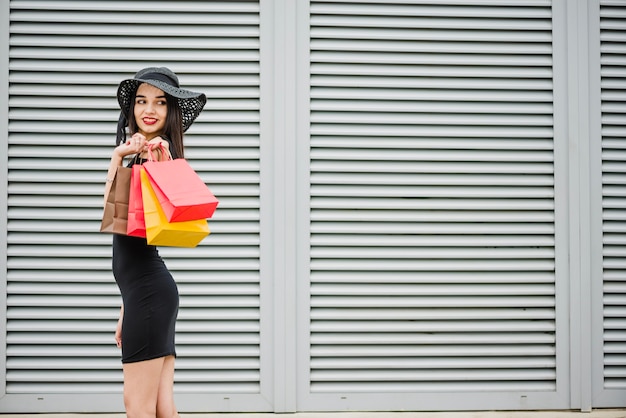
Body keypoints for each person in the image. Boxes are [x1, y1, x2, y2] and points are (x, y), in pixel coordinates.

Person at [103, 67, 206, 418]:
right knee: (161, 407)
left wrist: (128, 158)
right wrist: (125, 309)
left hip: (150, 294)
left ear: (171, 111)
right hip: (147, 295)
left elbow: (111, 214)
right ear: (131, 108)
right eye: (142, 100)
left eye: (160, 102)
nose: (150, 108)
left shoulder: (158, 158)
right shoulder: (137, 157)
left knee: (138, 406)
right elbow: (125, 235)